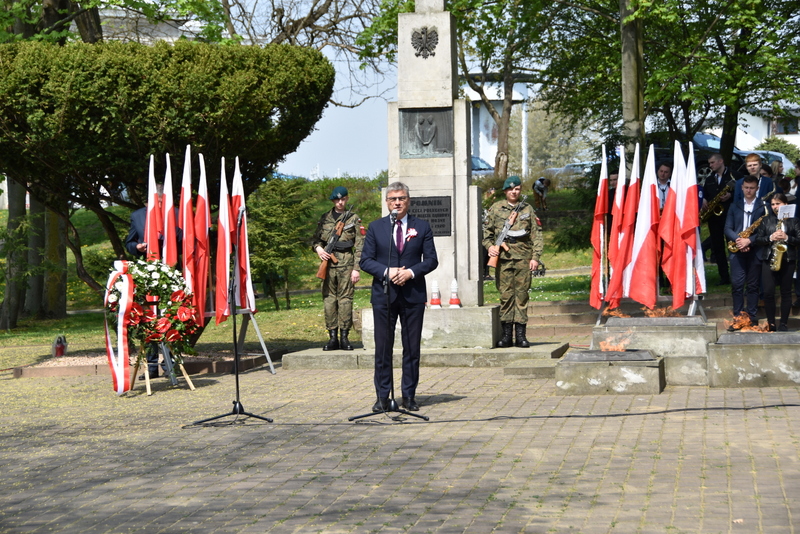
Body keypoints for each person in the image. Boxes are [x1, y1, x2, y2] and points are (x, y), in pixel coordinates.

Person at [360, 182, 438, 412]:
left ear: (408, 200)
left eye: (401, 198)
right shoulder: (376, 228)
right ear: (386, 202)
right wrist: (388, 272)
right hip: (384, 296)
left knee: (411, 348)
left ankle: (409, 395)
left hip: (412, 295)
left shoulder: (421, 227)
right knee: (383, 348)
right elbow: (366, 260)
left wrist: (410, 272)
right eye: (393, 199)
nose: (397, 203)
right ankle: (383, 397)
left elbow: (431, 259)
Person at [124, 183, 181, 379]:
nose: (155, 206)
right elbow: (129, 242)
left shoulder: (176, 213)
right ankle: (151, 367)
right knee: (149, 319)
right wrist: (137, 247)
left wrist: (169, 235)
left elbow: (185, 239)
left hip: (172, 272)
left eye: (159, 202)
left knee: (172, 319)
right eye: (152, 203)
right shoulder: (138, 215)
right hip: (149, 273)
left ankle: (171, 364)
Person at [482, 176, 543, 348]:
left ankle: (521, 336)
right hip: (503, 259)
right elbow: (487, 234)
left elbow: (536, 235)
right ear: (505, 191)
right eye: (510, 189)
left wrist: (535, 257)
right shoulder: (496, 209)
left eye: (516, 189)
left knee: (522, 296)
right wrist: (491, 247)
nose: (514, 192)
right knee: (506, 296)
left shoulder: (527, 208)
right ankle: (507, 336)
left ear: (520, 190)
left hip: (523, 257)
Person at [312, 186, 364, 351]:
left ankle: (344, 337)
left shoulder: (353, 218)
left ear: (347, 199)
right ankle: (332, 337)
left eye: (343, 199)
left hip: (347, 263)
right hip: (328, 265)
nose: (340, 202)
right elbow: (316, 239)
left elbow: (360, 245)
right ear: (333, 200)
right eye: (337, 200)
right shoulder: (325, 218)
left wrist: (356, 268)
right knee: (329, 300)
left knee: (345, 300)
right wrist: (319, 249)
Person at [725, 175, 768, 330]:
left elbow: (765, 230)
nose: (749, 190)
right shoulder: (734, 205)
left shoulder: (763, 206)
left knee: (753, 286)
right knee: (737, 285)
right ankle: (737, 317)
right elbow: (727, 228)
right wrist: (739, 241)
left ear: (757, 189)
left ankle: (751, 317)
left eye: (752, 188)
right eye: (746, 187)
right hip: (737, 249)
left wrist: (750, 240)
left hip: (755, 249)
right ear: (742, 188)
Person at [753, 193, 799, 331]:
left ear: (785, 204)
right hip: (769, 258)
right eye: (772, 204)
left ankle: (783, 323)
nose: (775, 207)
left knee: (786, 292)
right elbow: (758, 240)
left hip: (788, 258)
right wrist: (770, 237)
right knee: (768, 292)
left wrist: (787, 237)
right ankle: (771, 323)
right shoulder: (766, 220)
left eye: (778, 203)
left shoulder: (794, 221)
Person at [703, 153, 739, 284]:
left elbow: (742, 192)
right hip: (714, 217)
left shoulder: (734, 176)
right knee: (718, 248)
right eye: (710, 163)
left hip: (730, 216)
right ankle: (724, 277)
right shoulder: (709, 178)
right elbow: (705, 193)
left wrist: (731, 195)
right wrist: (704, 200)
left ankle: (737, 275)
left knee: (733, 246)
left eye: (712, 162)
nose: (710, 165)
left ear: (720, 161)